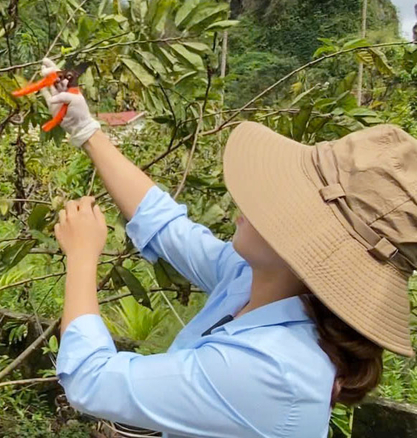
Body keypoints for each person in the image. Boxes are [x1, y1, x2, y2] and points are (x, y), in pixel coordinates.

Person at [39, 58, 417, 438]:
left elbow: (92, 381)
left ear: (308, 243)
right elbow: (167, 225)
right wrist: (85, 129)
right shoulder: (255, 283)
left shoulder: (273, 371)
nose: (251, 199)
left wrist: (83, 258)